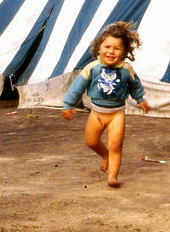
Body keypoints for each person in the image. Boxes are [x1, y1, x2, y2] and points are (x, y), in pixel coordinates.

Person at [61, 21, 151, 187]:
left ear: (124, 51)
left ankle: (113, 177)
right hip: (96, 113)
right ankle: (105, 155)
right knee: (91, 142)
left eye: (117, 48)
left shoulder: (126, 69)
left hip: (117, 114)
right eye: (107, 46)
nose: (111, 51)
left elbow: (135, 85)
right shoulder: (92, 68)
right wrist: (68, 105)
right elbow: (77, 87)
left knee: (116, 145)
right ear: (99, 47)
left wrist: (141, 100)